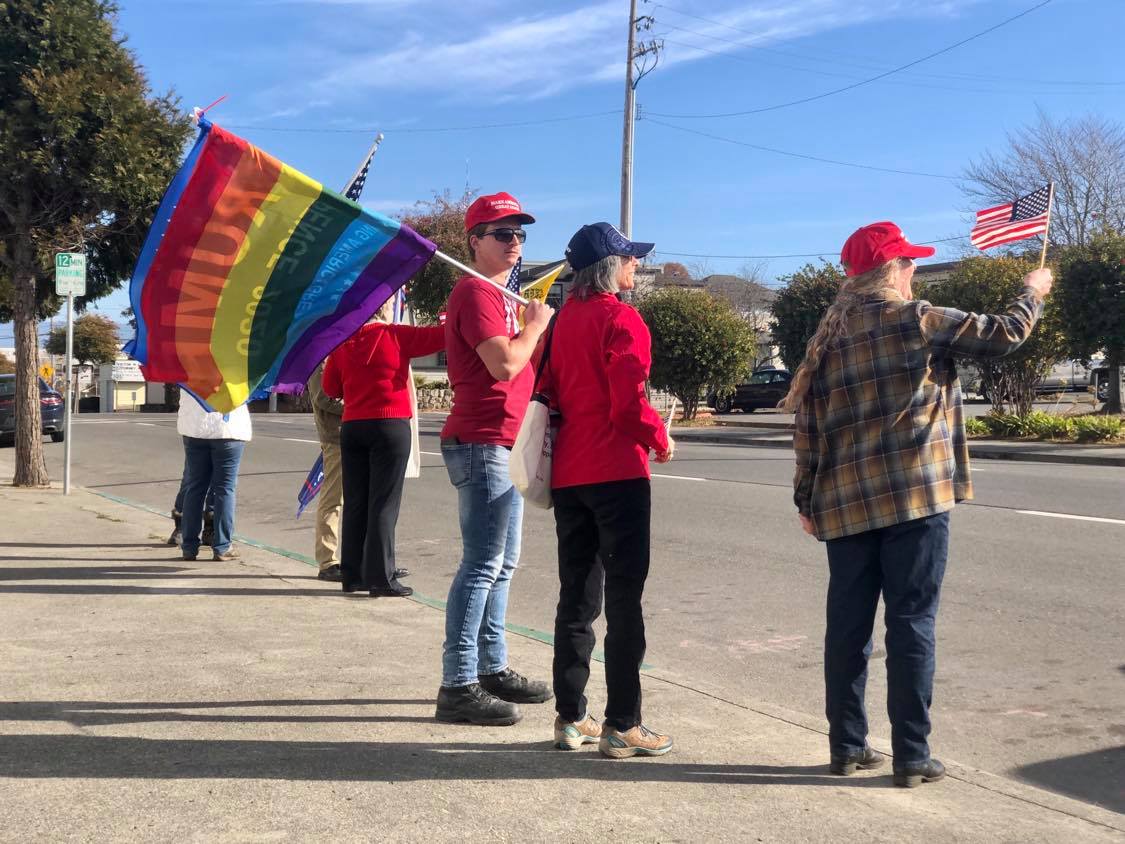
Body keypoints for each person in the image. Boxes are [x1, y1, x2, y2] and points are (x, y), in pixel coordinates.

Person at [780, 221, 1051, 787]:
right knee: (912, 623)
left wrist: (806, 499)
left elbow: (808, 428)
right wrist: (1034, 290)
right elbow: (1005, 334)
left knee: (847, 627)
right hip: (914, 498)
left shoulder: (827, 338)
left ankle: (846, 747)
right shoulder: (918, 318)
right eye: (910, 264)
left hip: (845, 503)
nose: (915, 272)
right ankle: (910, 754)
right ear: (893, 270)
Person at [540, 222, 674, 758]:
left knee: (576, 598)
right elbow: (627, 405)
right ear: (609, 268)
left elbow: (545, 391)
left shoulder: (560, 323)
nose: (635, 266)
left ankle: (570, 717)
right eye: (629, 259)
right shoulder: (622, 319)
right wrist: (659, 435)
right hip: (617, 472)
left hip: (570, 472)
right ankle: (623, 722)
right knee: (624, 602)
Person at [435, 192, 555, 726]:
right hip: (482, 440)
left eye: (520, 234)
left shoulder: (504, 295)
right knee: (482, 565)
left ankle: (491, 667)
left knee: (502, 565)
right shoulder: (475, 292)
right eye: (502, 233)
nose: (514, 242)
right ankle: (457, 682)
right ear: (474, 241)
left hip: (505, 442)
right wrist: (536, 326)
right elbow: (505, 364)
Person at [322, 298, 445, 597]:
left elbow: (330, 388)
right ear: (383, 309)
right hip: (389, 424)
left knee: (356, 501)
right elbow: (441, 337)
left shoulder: (343, 343)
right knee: (384, 504)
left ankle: (353, 575)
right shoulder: (396, 334)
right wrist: (445, 316)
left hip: (353, 426)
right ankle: (381, 577)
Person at [177, 395, 252, 562]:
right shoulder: (238, 369)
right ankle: (222, 546)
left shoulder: (189, 367)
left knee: (195, 487)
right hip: (229, 429)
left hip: (194, 427)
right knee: (225, 489)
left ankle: (189, 546)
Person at [306, 362, 345, 582]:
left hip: (351, 432)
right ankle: (327, 560)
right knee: (333, 499)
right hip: (336, 437)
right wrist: (359, 405)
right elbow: (323, 397)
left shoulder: (337, 350)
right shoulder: (321, 357)